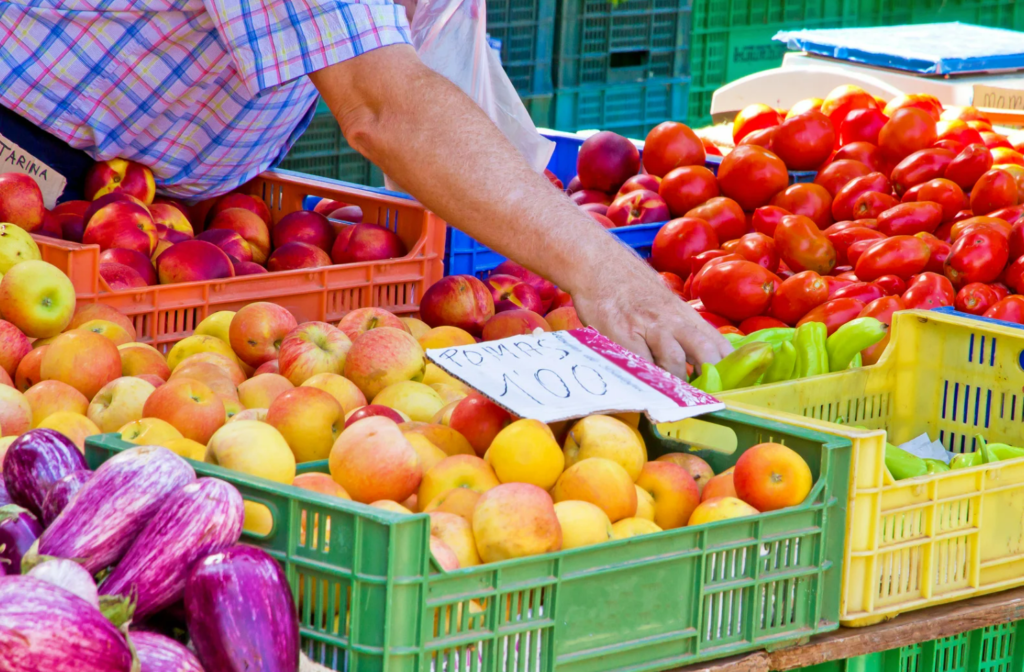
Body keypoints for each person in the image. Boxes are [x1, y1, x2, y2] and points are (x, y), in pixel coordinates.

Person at [0, 0, 730, 379]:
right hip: (25, 170)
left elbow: (423, 51)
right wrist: (603, 271)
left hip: (157, 214)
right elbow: (384, 106)